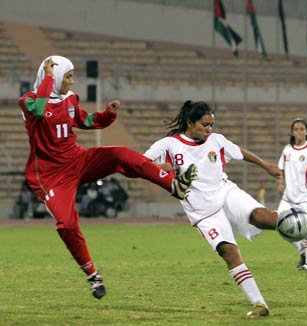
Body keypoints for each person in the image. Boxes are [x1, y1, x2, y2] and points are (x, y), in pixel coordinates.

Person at [18, 55, 197, 299]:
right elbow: (40, 110)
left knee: (120, 154)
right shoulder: (28, 101)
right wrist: (49, 78)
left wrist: (107, 115)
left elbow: (85, 120)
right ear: (54, 76)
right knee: (67, 224)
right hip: (50, 176)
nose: (72, 81)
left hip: (77, 160)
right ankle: (93, 275)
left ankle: (173, 184)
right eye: (67, 76)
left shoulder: (70, 99)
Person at [144, 101, 307, 318]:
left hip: (226, 193)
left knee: (262, 217)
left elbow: (241, 153)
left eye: (211, 125)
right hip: (202, 211)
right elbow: (141, 163)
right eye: (205, 124)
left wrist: (265, 166)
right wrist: (163, 168)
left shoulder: (216, 140)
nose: (209, 129)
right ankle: (260, 305)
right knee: (229, 253)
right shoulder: (169, 144)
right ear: (190, 122)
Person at [277, 118, 307, 271]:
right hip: (288, 197)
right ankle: (303, 251)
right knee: (278, 225)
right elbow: (281, 169)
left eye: (302, 129)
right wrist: (280, 182)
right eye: (296, 129)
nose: (299, 131)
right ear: (292, 132)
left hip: (306, 197)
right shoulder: (287, 150)